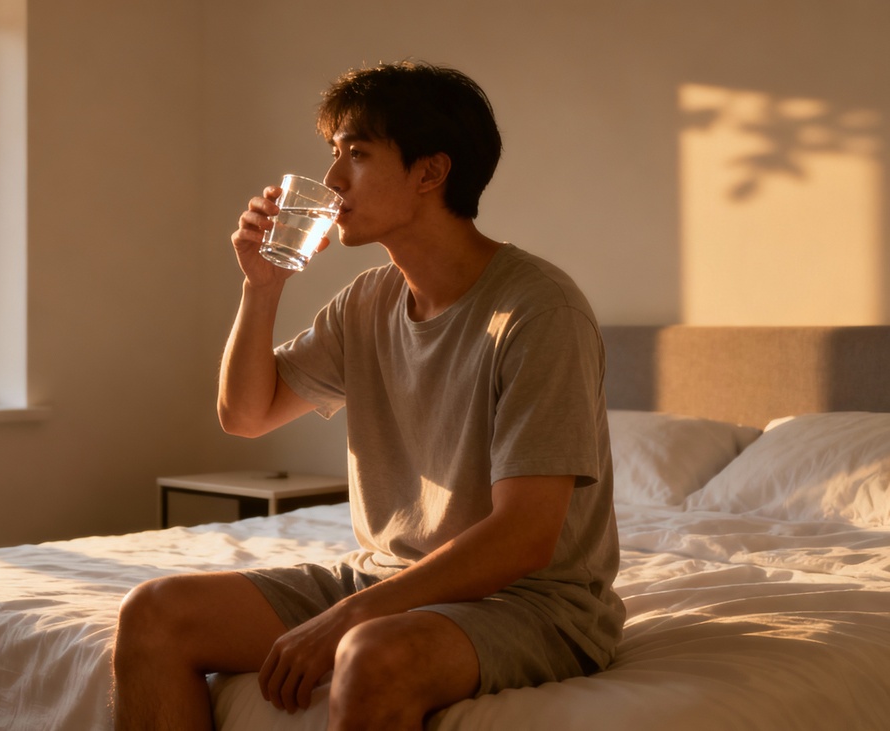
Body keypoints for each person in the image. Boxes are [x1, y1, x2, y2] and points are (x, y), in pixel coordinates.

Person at [112, 60, 624, 731]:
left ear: (429, 172)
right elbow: (245, 415)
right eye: (332, 154)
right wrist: (261, 287)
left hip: (529, 602)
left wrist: (350, 617)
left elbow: (523, 539)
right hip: (386, 578)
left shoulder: (538, 310)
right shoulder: (365, 302)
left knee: (370, 652)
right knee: (153, 614)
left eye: (356, 154)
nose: (330, 181)